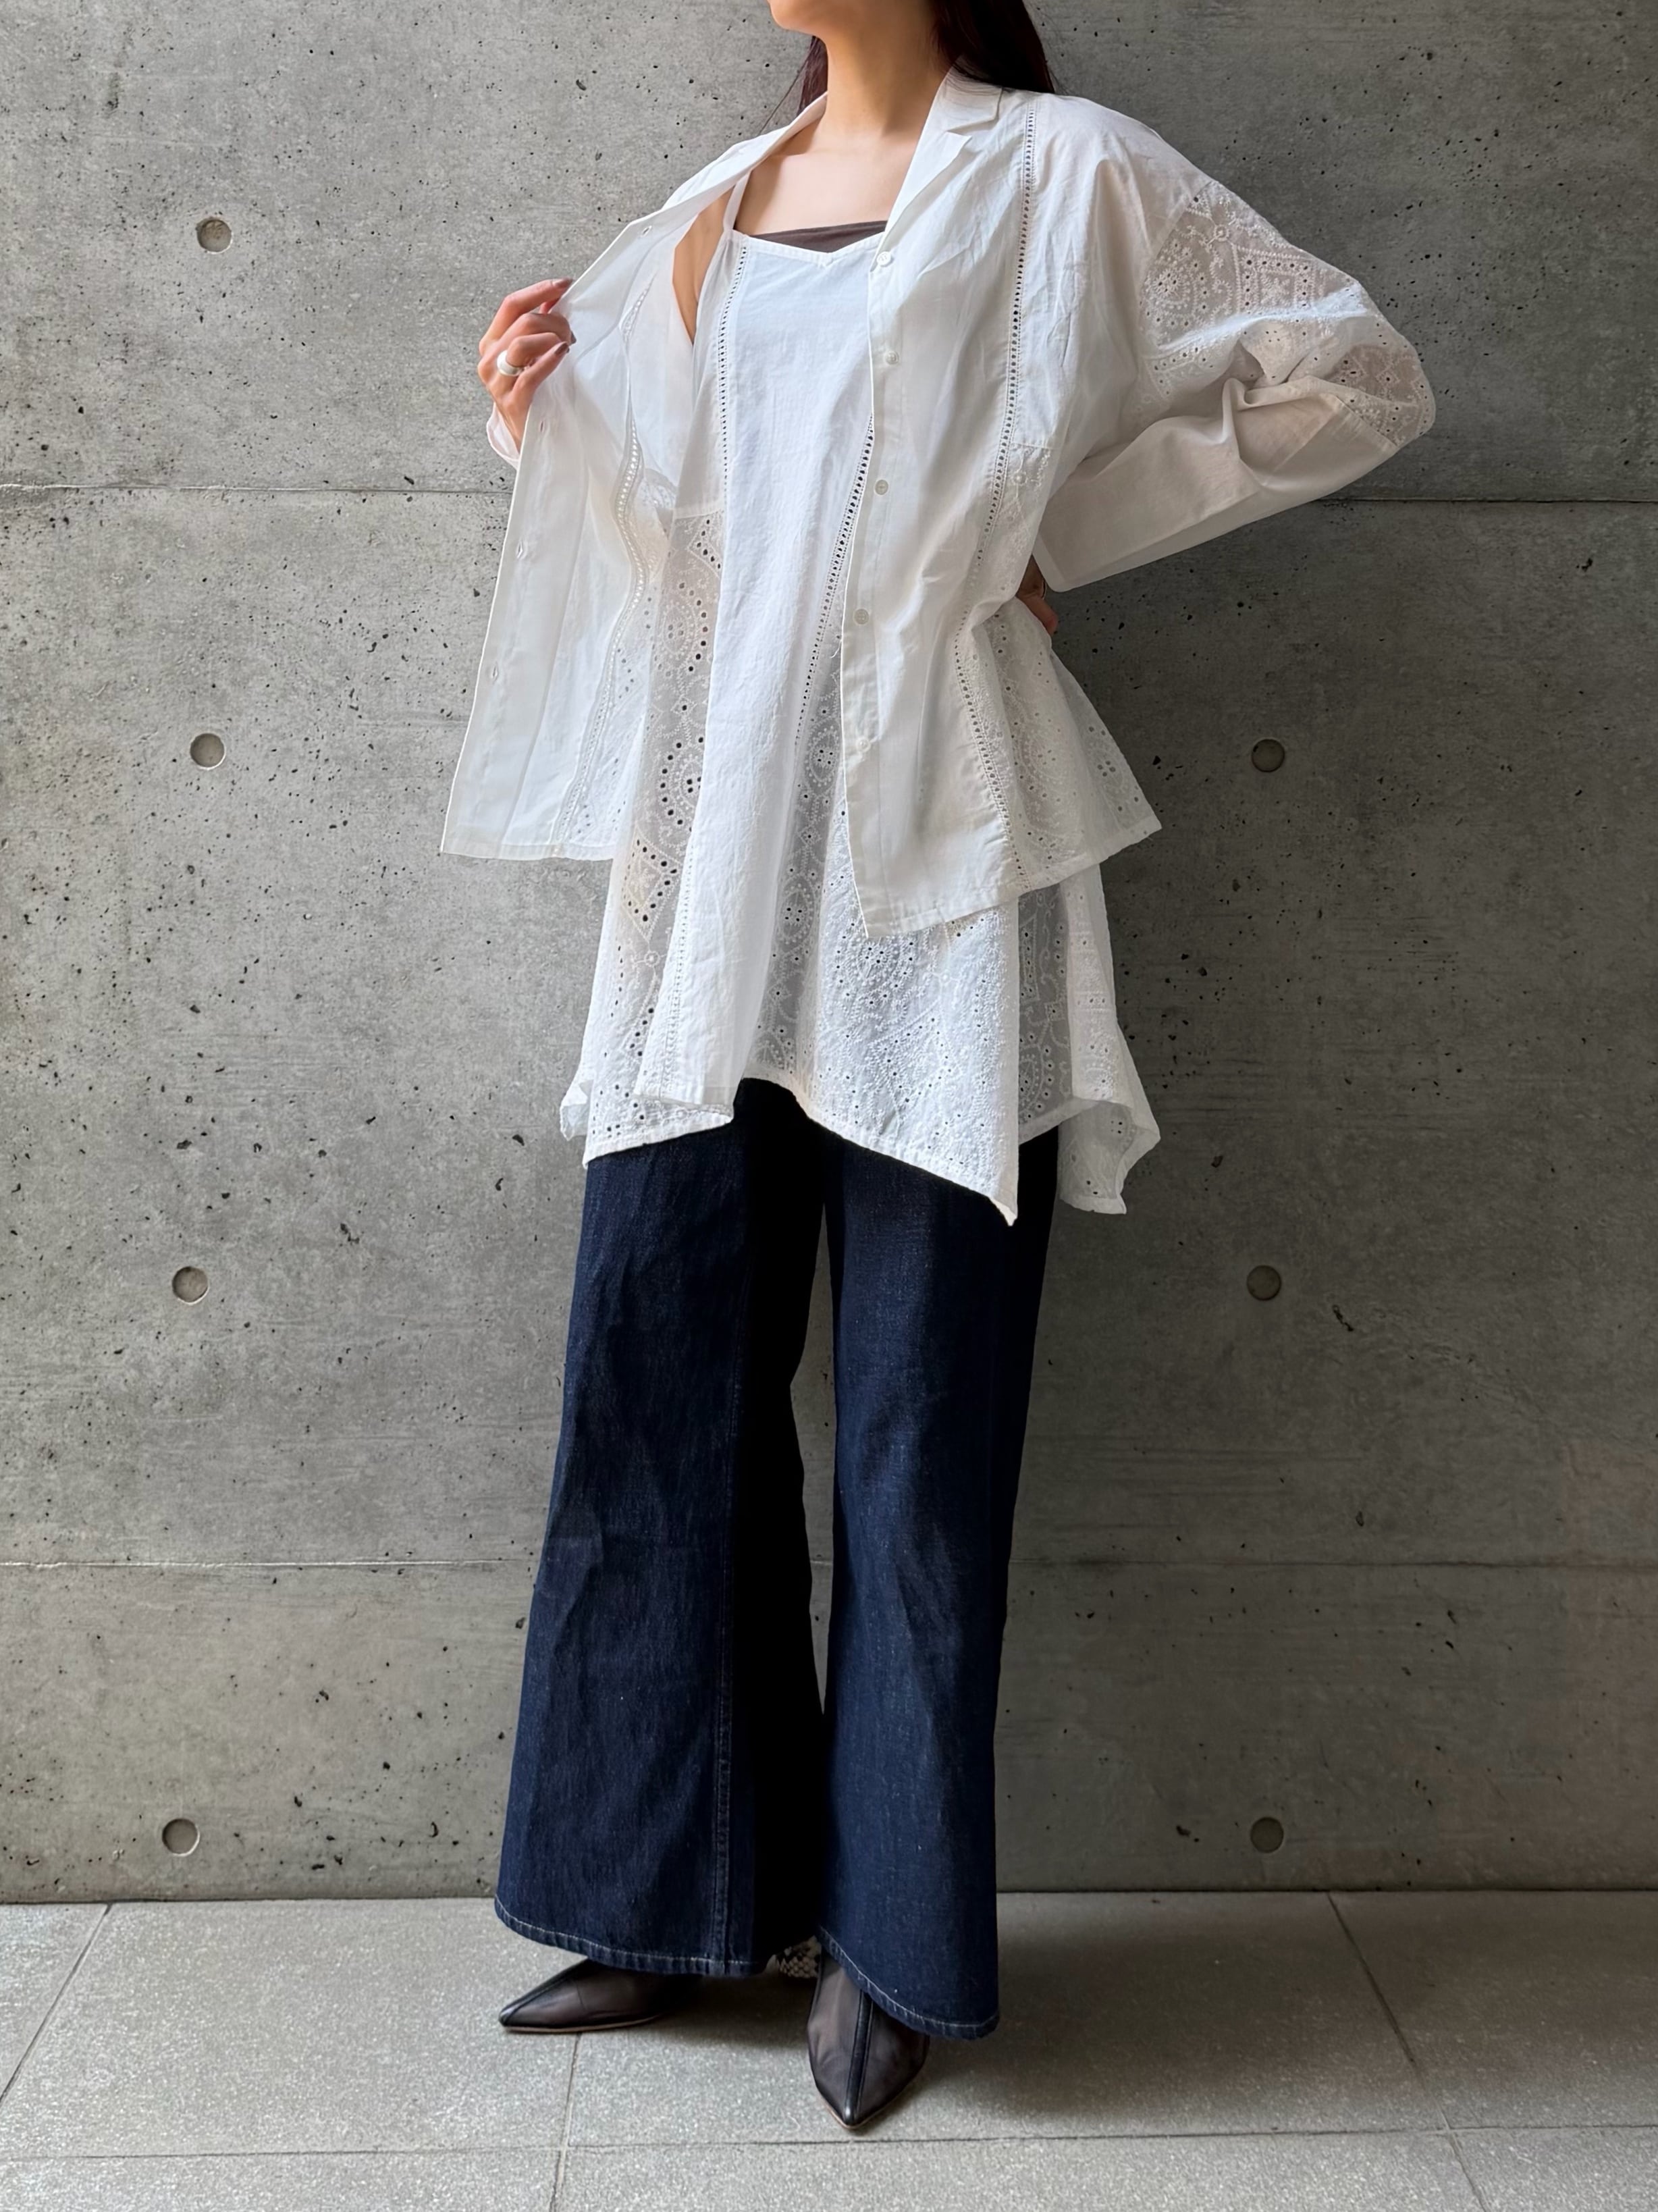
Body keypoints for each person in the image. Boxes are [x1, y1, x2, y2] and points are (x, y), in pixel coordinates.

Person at [442, 0, 1435, 2130]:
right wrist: (547, 435)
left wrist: (1050, 528)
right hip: (711, 878)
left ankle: (889, 1941)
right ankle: (670, 1901)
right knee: (655, 1385)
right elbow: (700, 545)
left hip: (941, 883)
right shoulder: (711, 210)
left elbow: (1350, 370)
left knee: (917, 1425)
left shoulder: (1060, 174)